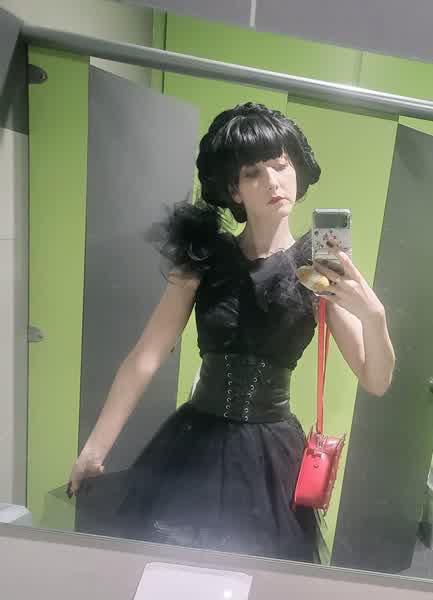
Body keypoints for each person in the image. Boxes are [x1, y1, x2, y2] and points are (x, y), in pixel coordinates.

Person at [67, 102, 395, 563]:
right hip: (193, 443)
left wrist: (374, 316)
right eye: (253, 172)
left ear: (297, 170)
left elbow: (376, 379)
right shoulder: (205, 258)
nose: (273, 182)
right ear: (234, 190)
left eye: (281, 165)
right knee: (175, 569)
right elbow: (145, 357)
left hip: (270, 457)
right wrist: (94, 448)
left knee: (259, 573)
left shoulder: (317, 266)